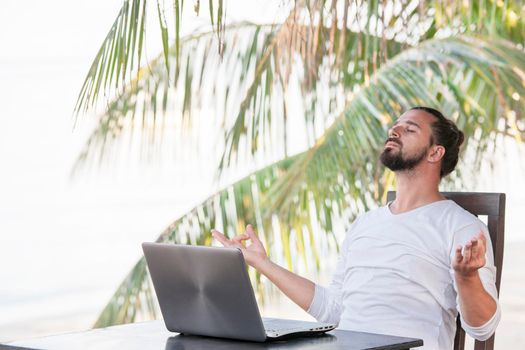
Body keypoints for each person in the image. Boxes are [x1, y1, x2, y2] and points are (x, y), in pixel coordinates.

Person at [212, 107, 500, 349]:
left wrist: (467, 278)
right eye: (395, 127)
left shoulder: (462, 227)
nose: (394, 131)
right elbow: (333, 310)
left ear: (435, 153)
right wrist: (263, 264)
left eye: (409, 129)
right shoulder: (366, 223)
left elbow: (483, 329)